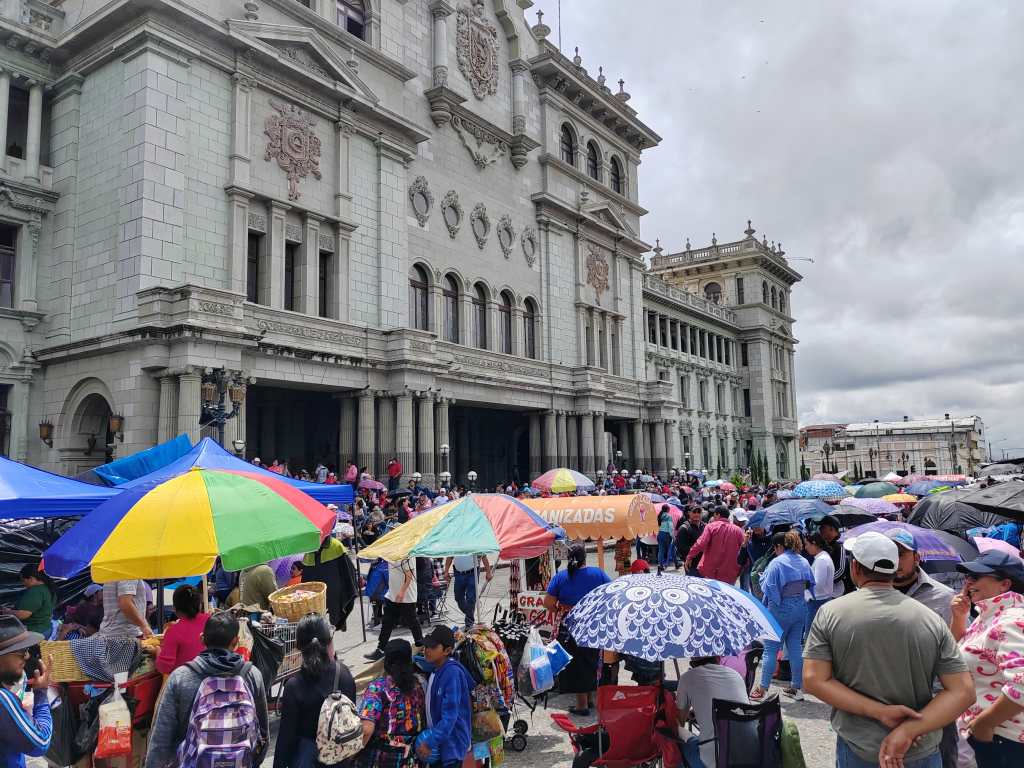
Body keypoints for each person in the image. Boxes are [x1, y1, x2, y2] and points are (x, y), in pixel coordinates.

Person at [803, 531, 974, 768]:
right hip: (921, 747)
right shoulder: (930, 618)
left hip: (860, 746)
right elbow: (963, 691)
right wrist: (909, 730)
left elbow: (813, 680)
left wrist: (879, 711)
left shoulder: (831, 613)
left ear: (855, 567)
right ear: (894, 569)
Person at [146, 612, 269, 768]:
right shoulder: (252, 675)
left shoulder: (180, 678)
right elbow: (263, 734)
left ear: (202, 639)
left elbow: (161, 739)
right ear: (236, 642)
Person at [887, 530, 957, 768]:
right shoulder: (871, 596)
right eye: (890, 554)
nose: (895, 561)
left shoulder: (944, 598)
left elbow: (957, 652)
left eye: (901, 554)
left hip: (934, 703)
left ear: (917, 557)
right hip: (884, 703)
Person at [949, 551, 1024, 767]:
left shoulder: (1010, 620)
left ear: (1005, 584)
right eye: (967, 576)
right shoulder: (989, 615)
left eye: (976, 576)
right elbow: (954, 657)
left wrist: (984, 724)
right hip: (994, 735)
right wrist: (959, 618)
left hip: (1005, 739)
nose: (968, 582)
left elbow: (1021, 684)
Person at [274, 614, 356, 768]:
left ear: (298, 646)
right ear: (329, 641)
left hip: (306, 759)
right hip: (339, 760)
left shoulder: (294, 686)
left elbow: (286, 738)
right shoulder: (344, 675)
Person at [544, 545, 611, 716]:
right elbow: (612, 594)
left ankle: (582, 705)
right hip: (592, 624)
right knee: (591, 660)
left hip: (570, 625)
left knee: (576, 663)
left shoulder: (560, 577)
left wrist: (561, 608)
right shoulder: (598, 574)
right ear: (585, 558)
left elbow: (548, 603)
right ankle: (588, 699)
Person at [751, 531, 814, 701]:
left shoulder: (777, 562)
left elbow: (769, 587)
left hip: (780, 607)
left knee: (771, 649)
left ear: (779, 546)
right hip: (800, 606)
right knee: (795, 647)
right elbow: (810, 583)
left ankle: (762, 689)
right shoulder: (803, 561)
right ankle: (796, 687)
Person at [357, 639, 426, 768]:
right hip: (410, 760)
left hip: (382, 760)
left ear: (386, 663)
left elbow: (366, 730)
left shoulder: (377, 688)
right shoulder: (418, 686)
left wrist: (351, 757)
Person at [676, 656, 755, 768]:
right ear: (718, 658)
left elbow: (680, 721)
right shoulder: (735, 675)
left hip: (716, 761)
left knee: (676, 738)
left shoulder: (687, 678)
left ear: (692, 661)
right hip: (751, 755)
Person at [415, 626, 473, 768]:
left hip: (452, 745)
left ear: (447, 651)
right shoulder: (436, 668)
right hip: (441, 743)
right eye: (426, 646)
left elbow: (450, 716)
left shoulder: (452, 674)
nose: (426, 650)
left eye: (433, 647)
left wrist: (430, 742)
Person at [0, 617, 52, 768]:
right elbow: (41, 742)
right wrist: (41, 692)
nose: (27, 656)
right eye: (21, 651)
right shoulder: (2, 699)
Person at [364, 559, 423, 661]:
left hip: (406, 595)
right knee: (387, 622)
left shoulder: (407, 555)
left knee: (412, 622)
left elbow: (409, 575)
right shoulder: (391, 553)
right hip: (392, 594)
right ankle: (381, 649)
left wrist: (402, 592)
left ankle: (420, 646)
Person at [301, 535, 358, 632]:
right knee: (316, 624)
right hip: (316, 594)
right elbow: (306, 577)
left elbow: (348, 571)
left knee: (334, 621)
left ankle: (334, 628)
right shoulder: (309, 550)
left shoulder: (336, 546)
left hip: (334, 590)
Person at [155, 584, 209, 676]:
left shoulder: (173, 631)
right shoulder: (211, 621)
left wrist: (157, 651)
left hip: (186, 681)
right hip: (211, 678)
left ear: (175, 608)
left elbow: (164, 667)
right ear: (200, 605)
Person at [685, 505, 744, 585]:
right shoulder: (739, 531)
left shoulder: (711, 526)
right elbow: (743, 551)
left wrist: (689, 557)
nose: (713, 517)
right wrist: (739, 570)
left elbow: (701, 543)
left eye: (714, 515)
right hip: (729, 574)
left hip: (709, 572)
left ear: (718, 514)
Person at [443, 555, 493, 631]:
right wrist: (446, 571)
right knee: (458, 597)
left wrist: (488, 572)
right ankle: (469, 614)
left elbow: (483, 556)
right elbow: (450, 557)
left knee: (471, 598)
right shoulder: (454, 546)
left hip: (472, 573)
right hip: (458, 574)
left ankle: (469, 623)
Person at [6, 566, 56, 638]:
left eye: (23, 580)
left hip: (34, 631)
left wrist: (7, 612)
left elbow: (22, 615)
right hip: (46, 629)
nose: (23, 584)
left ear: (31, 578)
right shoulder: (49, 588)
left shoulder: (35, 591)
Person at [804, 532, 835, 633]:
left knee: (811, 634)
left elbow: (818, 584)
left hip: (817, 602)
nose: (805, 547)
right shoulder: (822, 558)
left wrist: (802, 584)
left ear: (814, 544)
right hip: (819, 600)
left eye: (807, 544)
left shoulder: (822, 560)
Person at [818, 515, 852, 597]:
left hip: (837, 593)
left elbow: (840, 570)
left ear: (832, 529)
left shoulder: (839, 547)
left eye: (823, 527)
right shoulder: (822, 545)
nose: (820, 529)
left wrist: (823, 580)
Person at [675, 507, 705, 574]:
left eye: (699, 512)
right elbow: (681, 548)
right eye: (694, 512)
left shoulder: (704, 526)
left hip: (704, 564)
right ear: (689, 513)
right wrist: (697, 550)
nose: (697, 514)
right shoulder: (684, 528)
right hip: (691, 564)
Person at [656, 506, 675, 572]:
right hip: (667, 534)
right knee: (670, 548)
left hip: (660, 534)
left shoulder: (659, 516)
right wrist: (673, 536)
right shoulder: (668, 516)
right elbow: (670, 527)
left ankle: (660, 565)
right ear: (667, 509)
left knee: (661, 550)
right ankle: (668, 563)